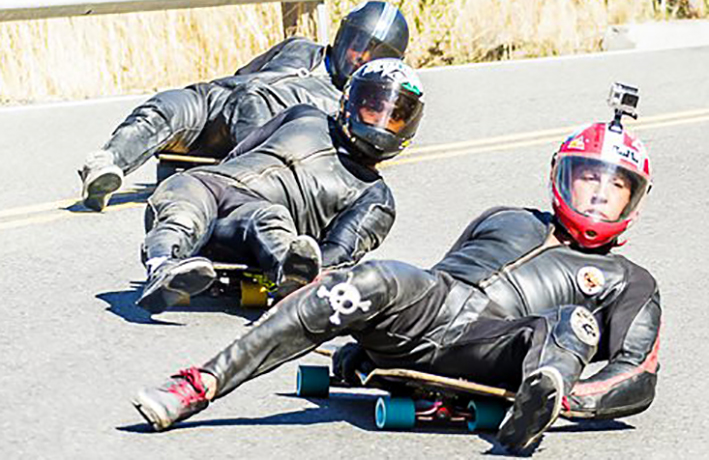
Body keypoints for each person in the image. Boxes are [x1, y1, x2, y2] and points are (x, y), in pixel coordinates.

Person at [131, 118, 659, 454]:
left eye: (615, 185)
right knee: (380, 274)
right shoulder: (506, 217)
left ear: (632, 201)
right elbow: (441, 273)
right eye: (588, 177)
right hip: (435, 306)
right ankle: (198, 385)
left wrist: (573, 400)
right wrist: (362, 337)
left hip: (505, 345)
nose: (597, 194)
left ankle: (535, 408)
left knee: (574, 322)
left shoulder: (630, 281)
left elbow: (636, 375)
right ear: (562, 178)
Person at [136, 58, 425, 315]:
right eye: (372, 106)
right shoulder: (304, 115)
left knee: (270, 217)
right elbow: (240, 152)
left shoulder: (375, 197)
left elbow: (339, 252)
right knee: (185, 190)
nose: (380, 119)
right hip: (211, 186)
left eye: (395, 116)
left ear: (409, 126)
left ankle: (292, 276)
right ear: (350, 100)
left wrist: (317, 271)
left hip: (251, 224)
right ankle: (163, 267)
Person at [78, 1, 409, 212]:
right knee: (166, 107)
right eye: (357, 45)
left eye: (374, 54)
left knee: (254, 124)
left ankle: (221, 194)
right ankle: (106, 165)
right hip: (218, 101)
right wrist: (224, 95)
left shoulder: (350, 101)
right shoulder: (298, 46)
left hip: (260, 132)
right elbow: (244, 75)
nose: (360, 56)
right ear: (343, 36)